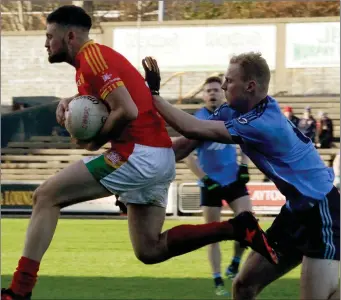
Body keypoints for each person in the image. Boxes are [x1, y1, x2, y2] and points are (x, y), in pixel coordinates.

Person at [1, 7, 277, 300]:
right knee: (149, 250)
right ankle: (236, 227)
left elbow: (127, 110)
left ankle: (20, 290)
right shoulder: (88, 67)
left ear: (69, 36)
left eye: (49, 36)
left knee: (45, 195)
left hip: (137, 154)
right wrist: (76, 115)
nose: (46, 43)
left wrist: (90, 139)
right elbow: (108, 123)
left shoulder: (93, 57)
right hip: (157, 156)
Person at [142, 54, 340, 300]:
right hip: (296, 211)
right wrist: (135, 169)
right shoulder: (234, 110)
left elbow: (192, 127)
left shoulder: (262, 122)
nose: (224, 86)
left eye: (229, 80)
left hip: (321, 211)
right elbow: (185, 145)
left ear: (250, 86)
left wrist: (154, 95)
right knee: (243, 286)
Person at [183, 76, 252, 296]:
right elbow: (188, 157)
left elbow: (246, 142)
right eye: (208, 90)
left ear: (222, 93)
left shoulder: (232, 115)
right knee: (211, 234)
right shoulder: (197, 120)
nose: (212, 93)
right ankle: (217, 278)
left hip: (232, 179)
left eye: (215, 90)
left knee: (249, 223)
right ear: (203, 96)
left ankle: (235, 262)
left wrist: (244, 166)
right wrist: (204, 179)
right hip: (210, 184)